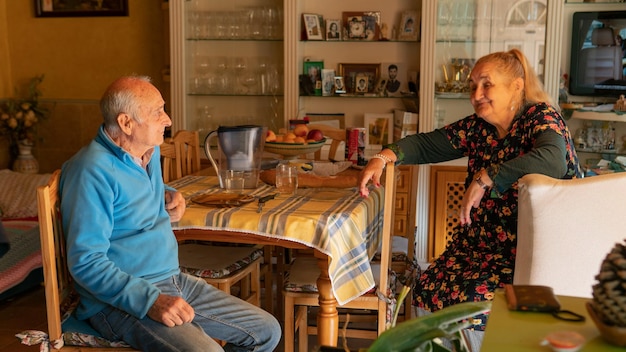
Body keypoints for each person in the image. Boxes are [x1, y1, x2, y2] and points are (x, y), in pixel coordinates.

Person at [358, 49, 580, 344]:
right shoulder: (479, 128)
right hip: (480, 248)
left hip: (531, 255)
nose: (477, 94)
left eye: (487, 84)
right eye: (472, 86)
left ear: (517, 85)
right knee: (426, 287)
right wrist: (383, 157)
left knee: (469, 298)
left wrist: (487, 176)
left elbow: (553, 160)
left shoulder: (541, 117)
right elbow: (426, 144)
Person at [58, 75, 281, 352]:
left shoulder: (146, 153)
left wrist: (167, 191)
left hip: (171, 279)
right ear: (126, 123)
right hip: (118, 301)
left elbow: (129, 188)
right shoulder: (90, 171)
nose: (168, 120)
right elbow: (86, 262)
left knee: (266, 330)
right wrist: (151, 301)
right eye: (157, 112)